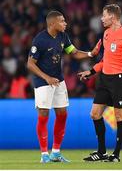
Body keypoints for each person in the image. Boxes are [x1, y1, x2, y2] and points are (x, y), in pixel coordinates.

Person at [27, 10, 98, 163]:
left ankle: (56, 152)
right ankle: (44, 154)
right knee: (44, 115)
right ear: (52, 23)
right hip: (43, 83)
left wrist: (91, 54)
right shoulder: (40, 40)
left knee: (62, 114)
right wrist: (46, 78)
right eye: (62, 21)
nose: (65, 23)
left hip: (58, 80)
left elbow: (74, 53)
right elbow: (30, 64)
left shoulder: (63, 36)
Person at [78, 4, 122, 162]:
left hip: (119, 80)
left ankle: (115, 154)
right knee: (94, 114)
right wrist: (92, 71)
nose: (101, 18)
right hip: (104, 79)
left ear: (113, 17)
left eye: (104, 15)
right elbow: (104, 60)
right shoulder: (106, 34)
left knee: (119, 116)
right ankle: (101, 152)